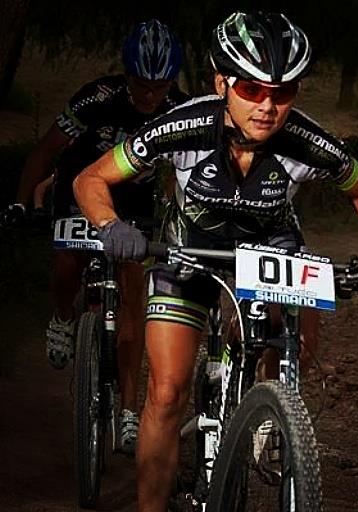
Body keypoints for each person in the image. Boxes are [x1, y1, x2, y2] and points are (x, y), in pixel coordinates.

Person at [73, 11, 358, 511]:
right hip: (188, 251)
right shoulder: (184, 126)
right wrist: (111, 225)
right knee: (166, 394)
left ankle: (272, 407)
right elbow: (91, 178)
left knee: (300, 327)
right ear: (222, 84)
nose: (267, 106)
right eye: (252, 89)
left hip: (270, 250)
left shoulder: (305, 140)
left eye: (283, 92)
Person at [1, 18, 189, 454]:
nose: (149, 96)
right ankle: (63, 315)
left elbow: (187, 173)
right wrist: (21, 201)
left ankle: (128, 411)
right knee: (68, 261)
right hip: (80, 190)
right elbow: (45, 150)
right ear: (126, 75)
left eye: (159, 87)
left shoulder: (179, 109)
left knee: (134, 296)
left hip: (135, 202)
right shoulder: (97, 97)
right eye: (140, 84)